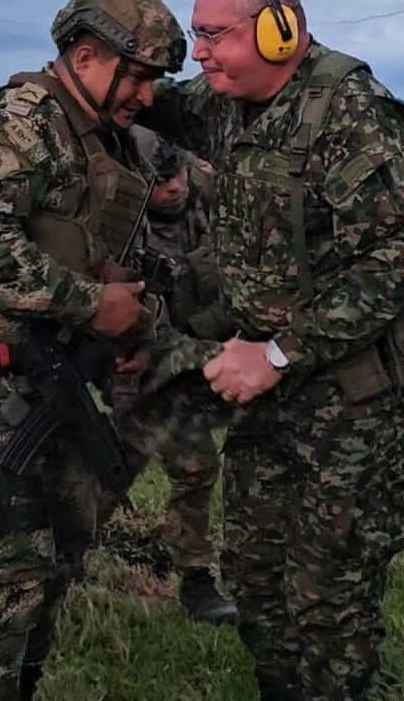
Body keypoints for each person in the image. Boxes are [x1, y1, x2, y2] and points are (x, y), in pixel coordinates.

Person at [0, 0, 216, 700]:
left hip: (48, 373)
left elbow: (91, 245)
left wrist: (131, 316)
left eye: (153, 79)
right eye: (134, 75)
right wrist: (90, 304)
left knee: (56, 557)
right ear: (82, 54)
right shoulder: (17, 122)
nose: (144, 94)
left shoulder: (98, 139)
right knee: (7, 573)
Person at [140, 0, 404, 700]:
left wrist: (276, 351)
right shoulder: (225, 101)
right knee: (259, 582)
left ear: (280, 30)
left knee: (328, 602)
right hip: (267, 392)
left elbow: (393, 264)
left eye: (214, 35)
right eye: (195, 36)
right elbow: (149, 100)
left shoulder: (350, 113)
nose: (200, 52)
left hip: (348, 401)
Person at [117, 127, 236, 623]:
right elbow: (139, 331)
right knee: (119, 469)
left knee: (200, 466)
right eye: (162, 180)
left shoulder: (211, 200)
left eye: (179, 174)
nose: (175, 187)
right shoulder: (123, 232)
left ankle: (197, 576)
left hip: (205, 352)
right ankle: (65, 552)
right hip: (145, 360)